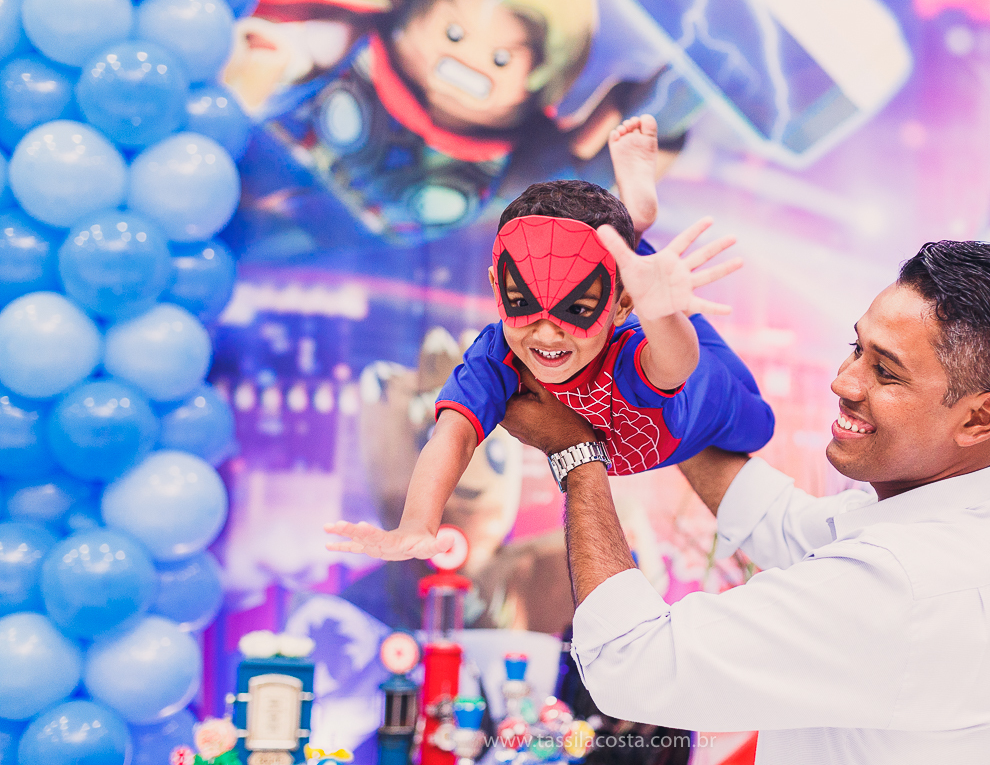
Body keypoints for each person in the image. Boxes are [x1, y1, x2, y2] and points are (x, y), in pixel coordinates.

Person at [497, 240, 990, 764]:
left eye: (886, 372)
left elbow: (628, 664)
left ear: (978, 417)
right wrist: (653, 369)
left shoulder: (903, 585)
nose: (845, 382)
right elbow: (777, 520)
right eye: (856, 348)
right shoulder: (982, 514)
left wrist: (576, 454)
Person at [325, 118, 775, 561]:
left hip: (702, 406)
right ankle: (631, 232)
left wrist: (661, 312)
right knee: (622, 273)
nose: (545, 332)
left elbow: (676, 364)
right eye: (521, 303)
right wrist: (417, 525)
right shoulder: (497, 351)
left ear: (620, 308)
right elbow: (453, 436)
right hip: (639, 310)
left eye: (575, 310)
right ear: (496, 287)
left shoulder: (627, 348)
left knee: (760, 425)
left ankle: (635, 233)